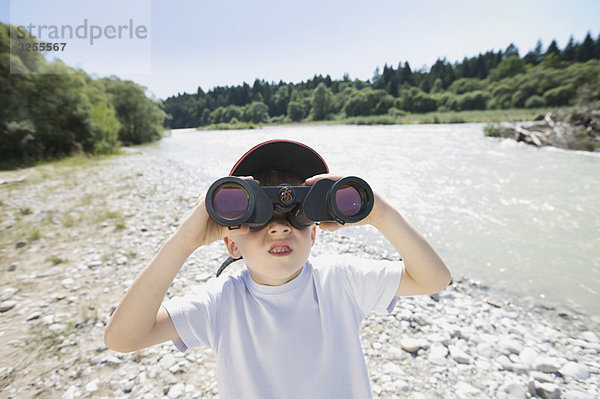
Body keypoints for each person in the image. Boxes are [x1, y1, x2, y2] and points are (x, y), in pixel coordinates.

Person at [104, 139, 451, 398]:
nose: (279, 227)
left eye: (297, 215)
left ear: (314, 232)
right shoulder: (220, 302)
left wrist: (379, 212)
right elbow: (123, 338)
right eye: (258, 217)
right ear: (231, 243)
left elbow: (433, 279)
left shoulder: (340, 281)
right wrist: (184, 242)